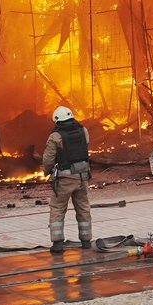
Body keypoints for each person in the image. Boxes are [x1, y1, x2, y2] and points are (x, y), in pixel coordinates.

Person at [40, 106, 93, 252]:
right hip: (82, 175)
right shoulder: (83, 130)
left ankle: (57, 244)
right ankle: (86, 241)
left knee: (57, 207)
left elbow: (48, 158)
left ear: (56, 120)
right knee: (83, 207)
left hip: (64, 177)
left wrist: (47, 170)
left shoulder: (56, 136)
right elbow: (84, 147)